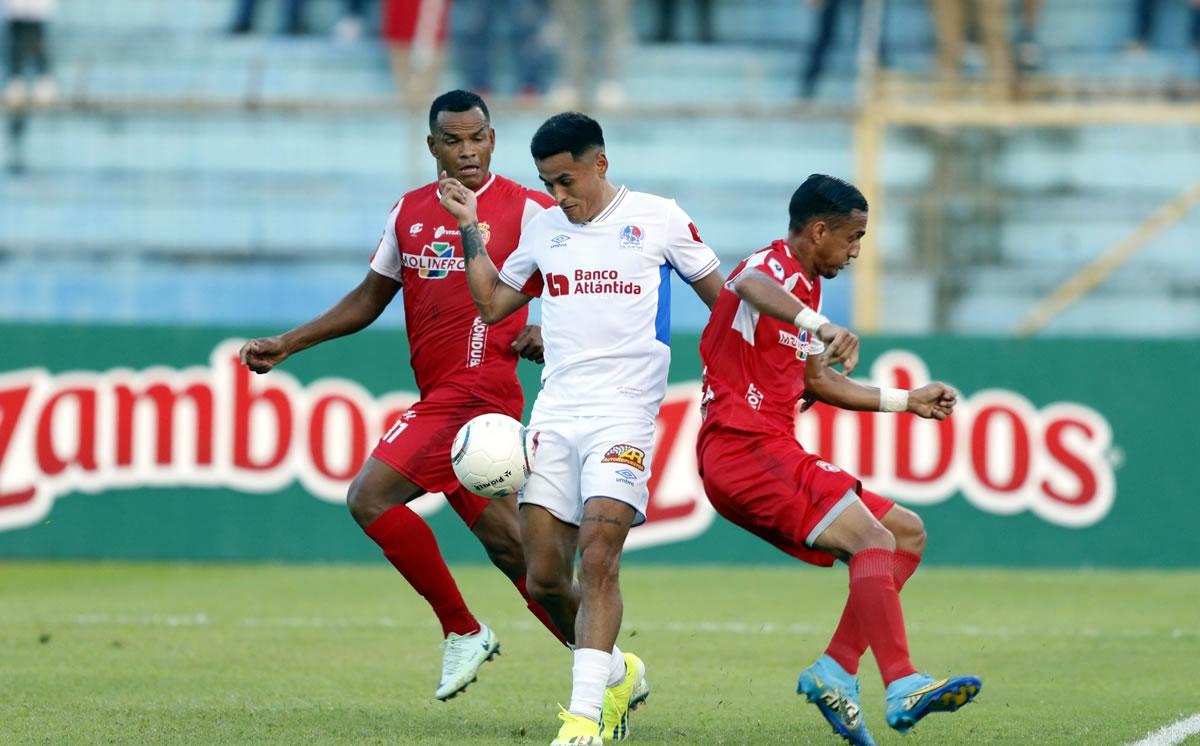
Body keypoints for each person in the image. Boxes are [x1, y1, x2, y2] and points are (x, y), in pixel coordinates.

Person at [239, 90, 566, 702]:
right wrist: (289, 342)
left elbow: (583, 284)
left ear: (493, 139)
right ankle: (607, 666)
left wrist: (550, 328)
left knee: (370, 497)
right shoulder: (408, 213)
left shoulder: (530, 210)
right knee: (515, 553)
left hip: (476, 396)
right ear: (432, 146)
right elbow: (369, 299)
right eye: (454, 141)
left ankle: (462, 630)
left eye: (478, 138)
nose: (468, 152)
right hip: (443, 392)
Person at [438, 111, 724, 745]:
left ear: (600, 163)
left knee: (599, 559)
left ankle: (584, 718)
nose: (558, 197)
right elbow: (493, 304)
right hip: (556, 414)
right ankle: (618, 671)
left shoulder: (659, 218)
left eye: (566, 181)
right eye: (547, 183)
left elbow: (724, 302)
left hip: (625, 413)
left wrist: (749, 377)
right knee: (544, 577)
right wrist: (468, 230)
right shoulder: (544, 229)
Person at [695, 174, 981, 745]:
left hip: (768, 447)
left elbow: (817, 381)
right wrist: (817, 322)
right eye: (852, 238)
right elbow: (747, 281)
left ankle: (835, 669)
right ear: (818, 230)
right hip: (743, 447)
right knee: (872, 541)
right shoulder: (773, 268)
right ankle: (902, 682)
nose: (855, 251)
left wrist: (909, 401)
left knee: (905, 534)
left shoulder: (805, 286)